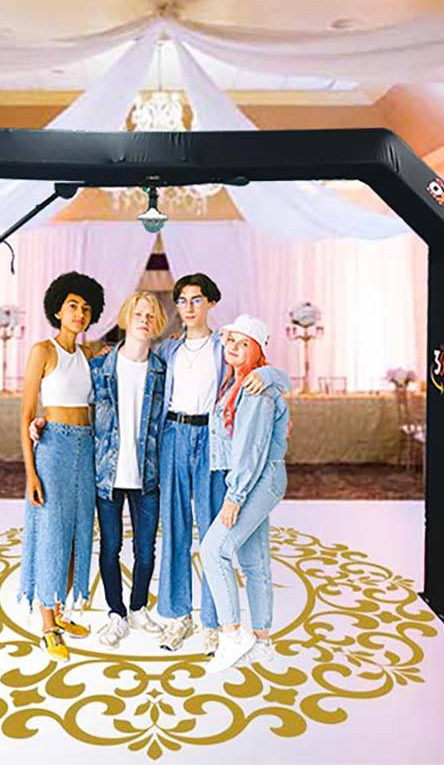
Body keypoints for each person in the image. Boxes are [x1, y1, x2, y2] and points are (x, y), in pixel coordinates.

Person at [31, 291, 169, 648]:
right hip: (107, 474)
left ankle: (138, 608)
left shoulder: (161, 370)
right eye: (138, 313)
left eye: (150, 315)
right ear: (127, 317)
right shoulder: (100, 366)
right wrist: (43, 420)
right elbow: (69, 394)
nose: (144, 320)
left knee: (146, 550)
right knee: (109, 548)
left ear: (157, 322)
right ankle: (116, 614)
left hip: (147, 474)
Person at [154, 274, 271, 654]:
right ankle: (177, 616)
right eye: (182, 300)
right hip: (173, 435)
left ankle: (212, 621)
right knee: (174, 528)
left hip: (211, 439)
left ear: (211, 303)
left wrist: (267, 376)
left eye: (196, 300)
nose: (188, 308)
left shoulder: (225, 347)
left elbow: (260, 365)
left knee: (211, 531)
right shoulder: (168, 350)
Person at [18, 271, 105, 663]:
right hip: (53, 448)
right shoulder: (43, 350)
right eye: (72, 306)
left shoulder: (88, 356)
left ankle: (62, 609)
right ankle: (47, 626)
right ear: (57, 309)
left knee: (78, 532)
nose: (79, 314)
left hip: (86, 448)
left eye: (86, 308)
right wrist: (30, 474)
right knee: (51, 534)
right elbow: (26, 416)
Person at [200, 314, 291, 673]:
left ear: (255, 349)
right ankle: (262, 642)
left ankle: (232, 636)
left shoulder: (255, 388)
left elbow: (250, 449)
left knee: (214, 550)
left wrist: (234, 497)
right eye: (231, 341)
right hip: (256, 477)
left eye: (243, 343)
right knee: (254, 560)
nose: (233, 347)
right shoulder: (239, 381)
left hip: (257, 479)